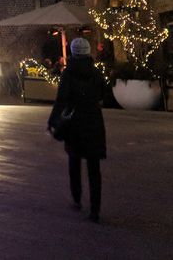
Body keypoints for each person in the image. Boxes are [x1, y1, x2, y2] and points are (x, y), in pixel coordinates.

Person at [49, 37, 106, 223]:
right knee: (93, 167)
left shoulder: (69, 73)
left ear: (73, 52)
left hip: (75, 121)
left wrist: (53, 119)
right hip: (93, 121)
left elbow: (62, 99)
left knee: (74, 160)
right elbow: (104, 93)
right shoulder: (96, 72)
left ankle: (77, 198)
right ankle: (95, 209)